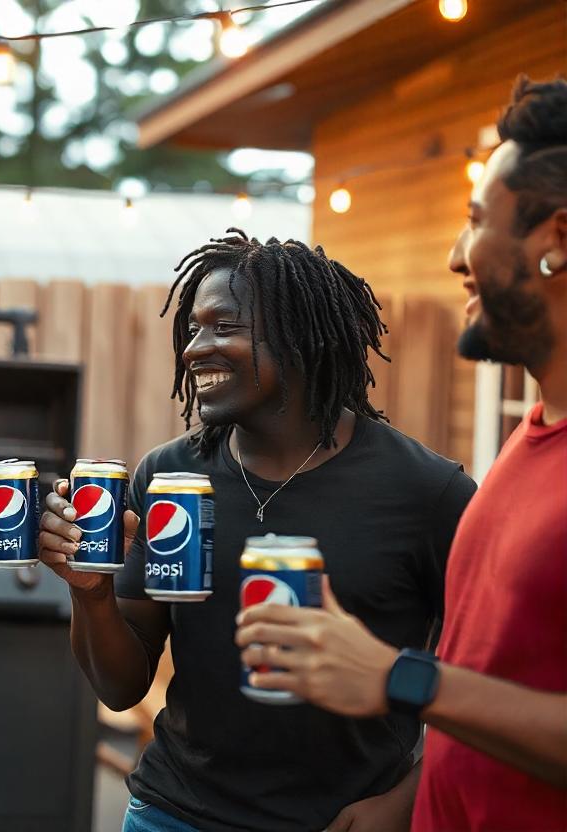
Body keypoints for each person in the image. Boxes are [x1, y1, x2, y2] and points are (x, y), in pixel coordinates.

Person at [38, 230, 477, 831]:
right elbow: (120, 687)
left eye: (224, 327)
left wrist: (405, 799)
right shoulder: (170, 475)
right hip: (174, 815)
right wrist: (88, 593)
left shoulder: (427, 492)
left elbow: (478, 683)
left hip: (344, 821)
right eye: (193, 328)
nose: (195, 349)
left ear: (301, 339)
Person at [236, 75, 567, 831]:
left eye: (478, 220)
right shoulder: (531, 435)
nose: (456, 255)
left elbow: (438, 683)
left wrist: (397, 676)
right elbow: (501, 677)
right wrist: (410, 799)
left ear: (557, 240)